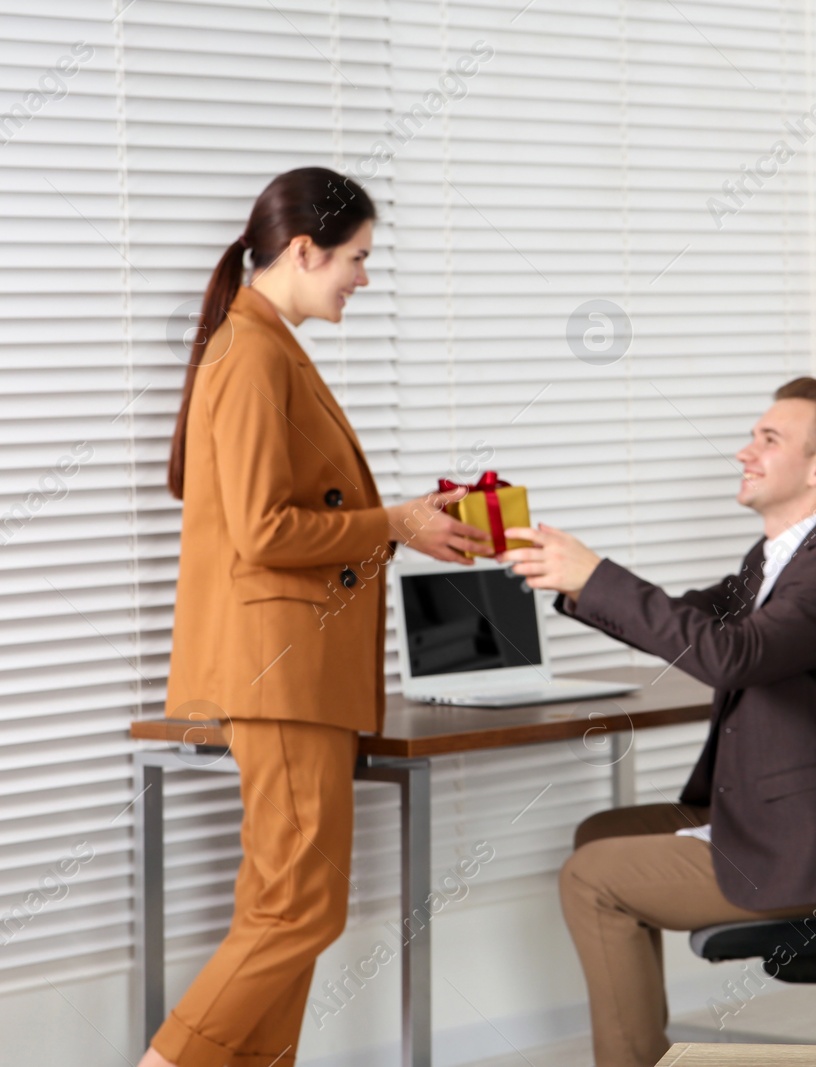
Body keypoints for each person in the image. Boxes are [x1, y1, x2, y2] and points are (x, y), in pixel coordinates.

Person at [141, 167, 490, 1067]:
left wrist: (408, 524)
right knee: (301, 908)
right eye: (358, 258)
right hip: (281, 670)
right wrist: (395, 522)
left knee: (278, 906)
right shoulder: (252, 352)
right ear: (304, 250)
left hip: (294, 668)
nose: (363, 278)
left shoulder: (261, 345)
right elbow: (264, 531)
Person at [498, 376, 816, 1067]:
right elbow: (688, 620)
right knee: (601, 835)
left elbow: (730, 654)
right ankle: (643, 1045)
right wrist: (571, 576)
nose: (743, 452)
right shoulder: (779, 560)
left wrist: (596, 572)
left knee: (591, 877)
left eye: (767, 438)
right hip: (787, 822)